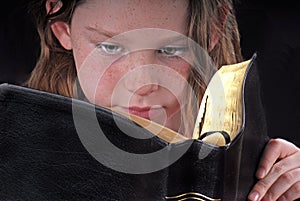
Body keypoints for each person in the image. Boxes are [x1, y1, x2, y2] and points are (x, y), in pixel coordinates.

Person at [25, 0, 300, 200]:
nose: (141, 83)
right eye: (110, 47)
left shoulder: (250, 168)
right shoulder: (18, 154)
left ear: (212, 30)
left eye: (170, 49)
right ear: (63, 31)